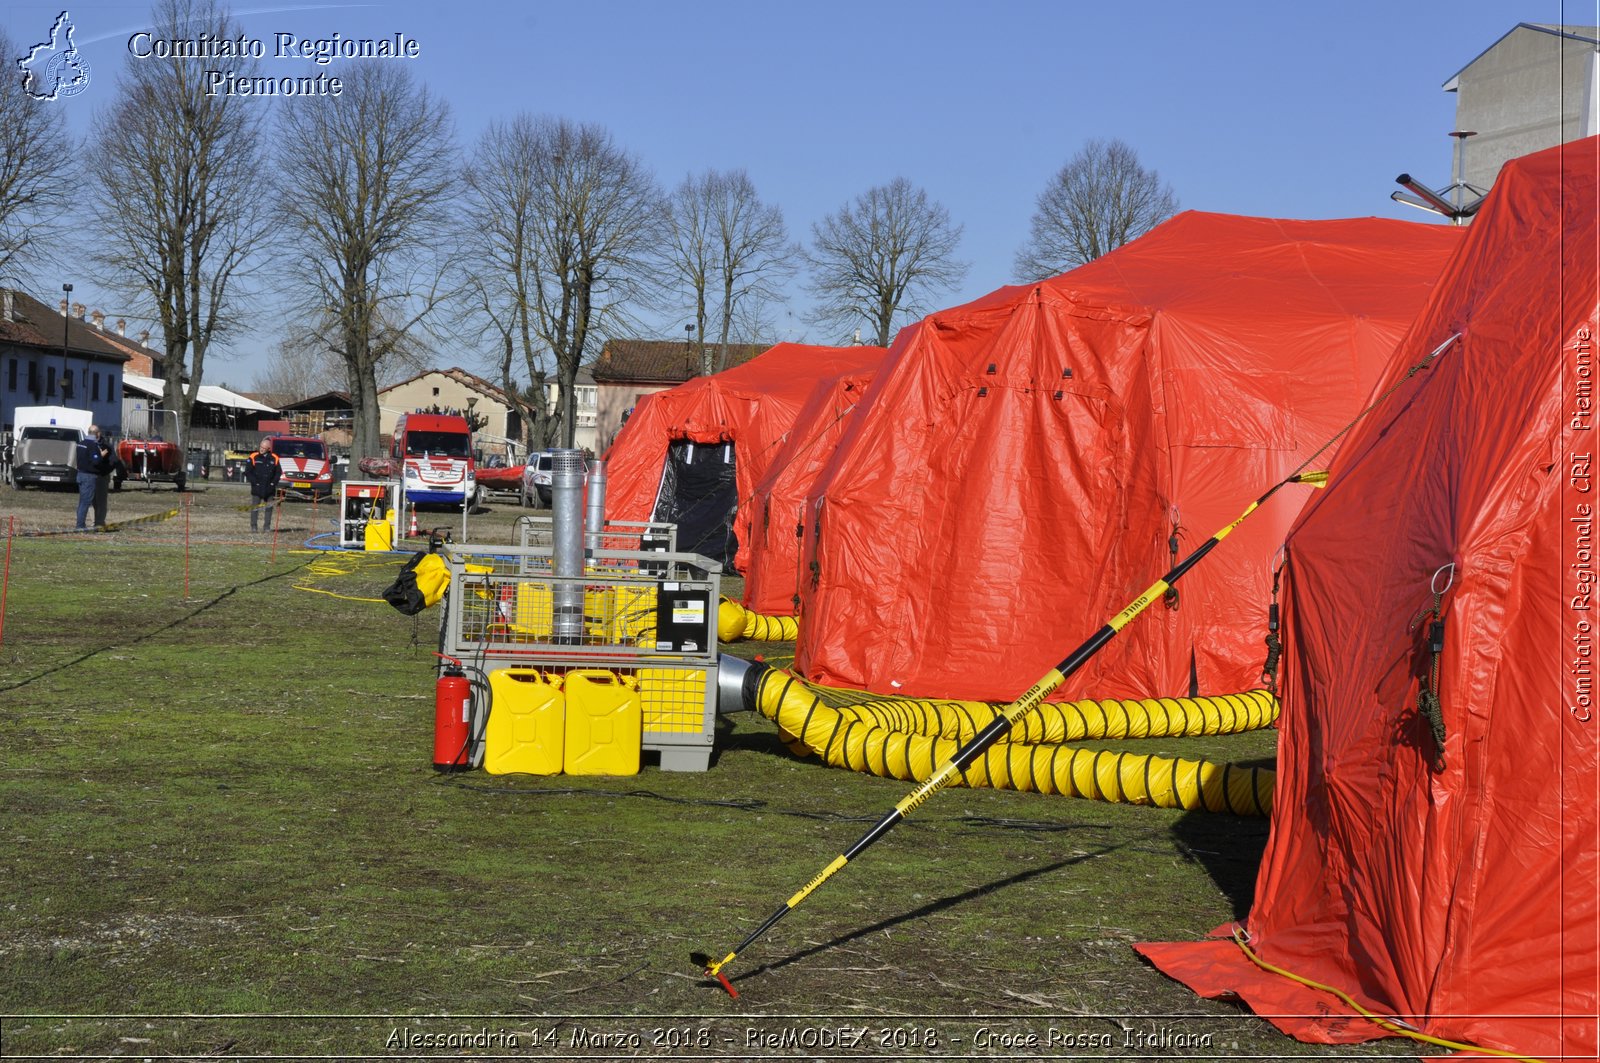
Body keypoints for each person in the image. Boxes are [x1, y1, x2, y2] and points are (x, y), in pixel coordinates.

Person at [74, 425, 111, 531]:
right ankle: (80, 526)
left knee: (82, 501)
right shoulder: (92, 446)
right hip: (89, 476)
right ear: (97, 433)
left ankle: (80, 524)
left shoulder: (80, 444)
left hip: (80, 474)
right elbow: (95, 461)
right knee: (86, 502)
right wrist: (101, 455)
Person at [245, 436, 281, 534]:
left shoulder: (275, 458)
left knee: (269, 508)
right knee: (255, 508)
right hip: (257, 488)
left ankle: (267, 527)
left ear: (268, 449)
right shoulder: (253, 457)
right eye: (260, 447)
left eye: (264, 448)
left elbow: (278, 473)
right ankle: (253, 527)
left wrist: (273, 483)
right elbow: (248, 472)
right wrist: (254, 482)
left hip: (269, 488)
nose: (261, 449)